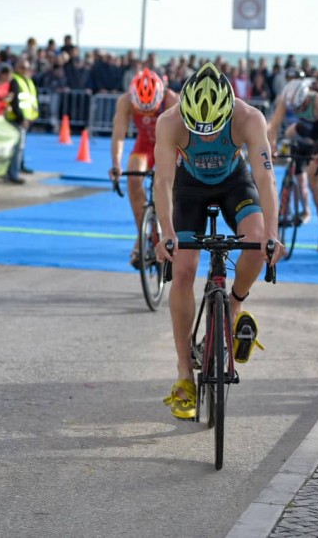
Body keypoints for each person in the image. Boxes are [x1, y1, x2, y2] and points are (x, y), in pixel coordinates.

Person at [154, 63, 285, 421]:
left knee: (257, 241)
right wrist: (166, 231)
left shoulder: (249, 118)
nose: (208, 138)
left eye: (214, 130)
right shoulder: (169, 121)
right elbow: (163, 182)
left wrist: (272, 233)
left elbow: (265, 178)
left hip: (233, 183)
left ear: (229, 111)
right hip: (189, 188)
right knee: (182, 269)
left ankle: (235, 304)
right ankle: (184, 374)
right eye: (199, 131)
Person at [108, 68, 180, 268]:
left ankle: (169, 229)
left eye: (152, 110)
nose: (147, 115)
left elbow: (184, 135)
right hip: (146, 145)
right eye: (143, 111)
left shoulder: (172, 100)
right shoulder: (125, 101)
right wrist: (116, 164)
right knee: (133, 176)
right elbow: (119, 133)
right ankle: (142, 234)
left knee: (168, 185)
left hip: (169, 145)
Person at [265, 77, 318, 252]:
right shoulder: (286, 99)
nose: (298, 110)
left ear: (306, 99)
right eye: (295, 109)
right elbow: (273, 127)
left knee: (314, 182)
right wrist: (273, 147)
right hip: (305, 135)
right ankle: (295, 185)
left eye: (300, 108)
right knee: (291, 133)